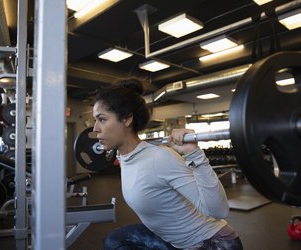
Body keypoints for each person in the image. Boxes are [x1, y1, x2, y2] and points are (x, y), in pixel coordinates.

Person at [93, 78, 243, 250]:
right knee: (115, 241)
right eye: (95, 120)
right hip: (176, 242)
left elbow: (219, 211)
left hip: (213, 243)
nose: (95, 128)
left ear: (127, 119)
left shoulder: (160, 158)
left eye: (102, 119)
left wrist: (195, 154)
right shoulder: (127, 157)